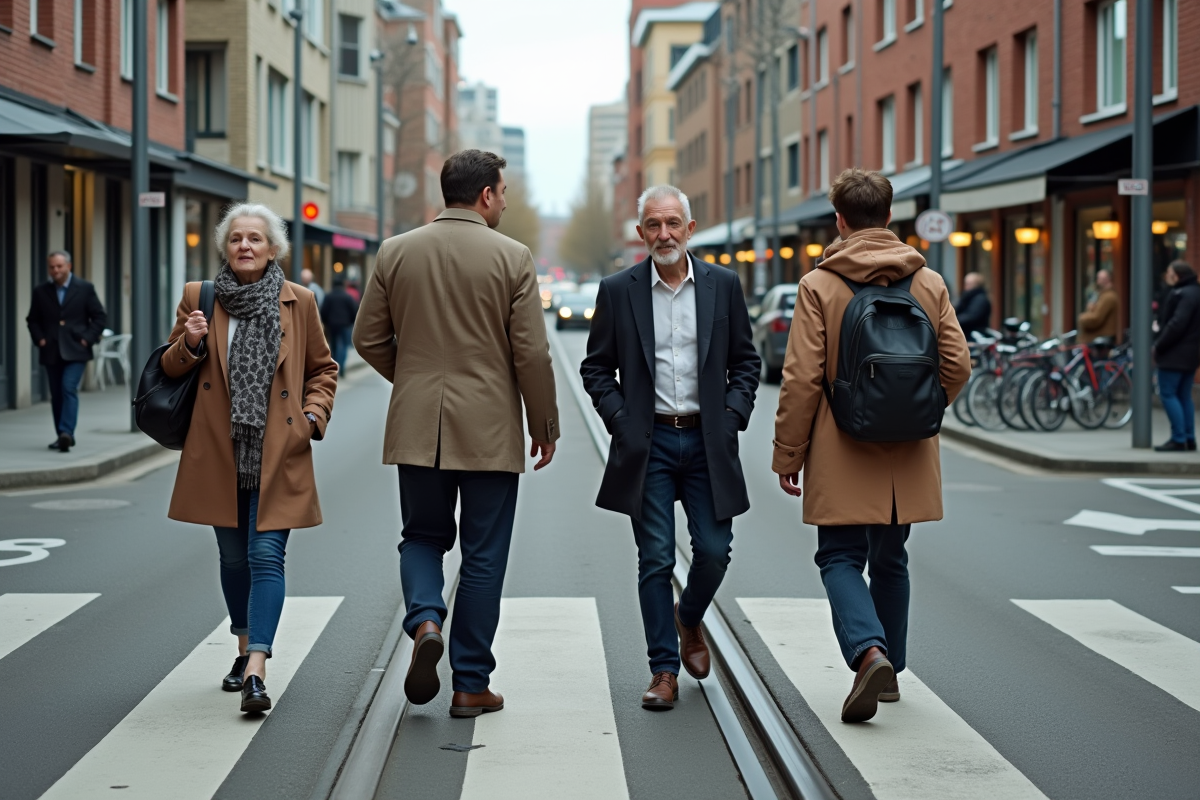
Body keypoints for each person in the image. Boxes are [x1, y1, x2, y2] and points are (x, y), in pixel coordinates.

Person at [353, 149, 559, 719]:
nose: (506, 200)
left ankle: (424, 620)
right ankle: (470, 684)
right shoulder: (513, 257)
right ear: (487, 195)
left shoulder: (396, 251)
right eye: (504, 191)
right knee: (483, 556)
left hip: (418, 425)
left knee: (421, 537)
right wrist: (544, 425)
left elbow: (368, 338)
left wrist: (415, 380)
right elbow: (532, 354)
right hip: (490, 430)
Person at [772, 169, 971, 723]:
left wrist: (788, 455)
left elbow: (803, 379)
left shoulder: (820, 285)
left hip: (842, 447)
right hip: (907, 449)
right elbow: (957, 364)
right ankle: (890, 675)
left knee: (839, 556)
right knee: (891, 557)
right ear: (889, 216)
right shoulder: (927, 283)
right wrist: (917, 409)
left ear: (839, 220)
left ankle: (869, 653)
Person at [581, 185, 760, 711]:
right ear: (641, 233)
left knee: (711, 551)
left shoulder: (723, 285)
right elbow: (596, 367)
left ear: (690, 227)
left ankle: (688, 618)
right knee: (655, 560)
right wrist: (620, 419)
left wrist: (732, 417)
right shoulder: (618, 290)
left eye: (672, 223)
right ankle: (663, 670)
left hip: (708, 442)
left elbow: (746, 363)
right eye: (653, 225)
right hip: (650, 443)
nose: (664, 234)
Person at [160, 203, 337, 714]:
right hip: (219, 451)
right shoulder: (200, 297)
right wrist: (190, 342)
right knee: (233, 559)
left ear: (273, 248)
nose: (245, 246)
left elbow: (322, 370)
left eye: (255, 239)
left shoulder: (298, 301)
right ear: (225, 246)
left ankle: (257, 666)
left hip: (278, 449)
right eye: (236, 238)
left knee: (265, 557)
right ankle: (242, 645)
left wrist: (311, 417)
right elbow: (170, 368)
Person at [25, 250, 108, 452]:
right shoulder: (40, 291)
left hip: (76, 349)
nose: (55, 270)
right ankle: (61, 434)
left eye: (59, 266)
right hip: (51, 349)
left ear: (68, 266)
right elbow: (32, 320)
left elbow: (99, 317)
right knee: (57, 393)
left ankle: (66, 433)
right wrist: (40, 339)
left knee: (68, 387)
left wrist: (87, 339)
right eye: (52, 267)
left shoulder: (85, 288)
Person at [1152, 260, 1200, 452]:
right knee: (1184, 396)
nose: (1166, 276)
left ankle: (1179, 438)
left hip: (1175, 353)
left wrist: (1159, 344)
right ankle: (1188, 437)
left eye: (1169, 273)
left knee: (1169, 394)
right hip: (1191, 354)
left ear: (1177, 275)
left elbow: (1177, 324)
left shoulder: (1182, 294)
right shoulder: (1195, 292)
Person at [321, 275, 359, 373]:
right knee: (344, 345)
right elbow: (354, 311)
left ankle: (335, 365)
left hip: (332, 324)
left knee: (333, 345)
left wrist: (325, 322)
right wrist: (351, 322)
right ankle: (341, 366)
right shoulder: (347, 297)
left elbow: (323, 311)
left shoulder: (329, 296)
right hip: (345, 324)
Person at [1079, 269, 1118, 343]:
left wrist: (1082, 318)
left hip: (1101, 340)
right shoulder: (1102, 295)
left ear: (1105, 280)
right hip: (1097, 338)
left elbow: (1097, 318)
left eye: (1099, 278)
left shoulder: (1108, 297)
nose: (1097, 281)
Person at [954, 271, 992, 339]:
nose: (966, 286)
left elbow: (972, 316)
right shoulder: (967, 297)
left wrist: (954, 320)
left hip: (974, 335)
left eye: (969, 284)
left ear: (976, 285)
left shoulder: (980, 299)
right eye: (966, 283)